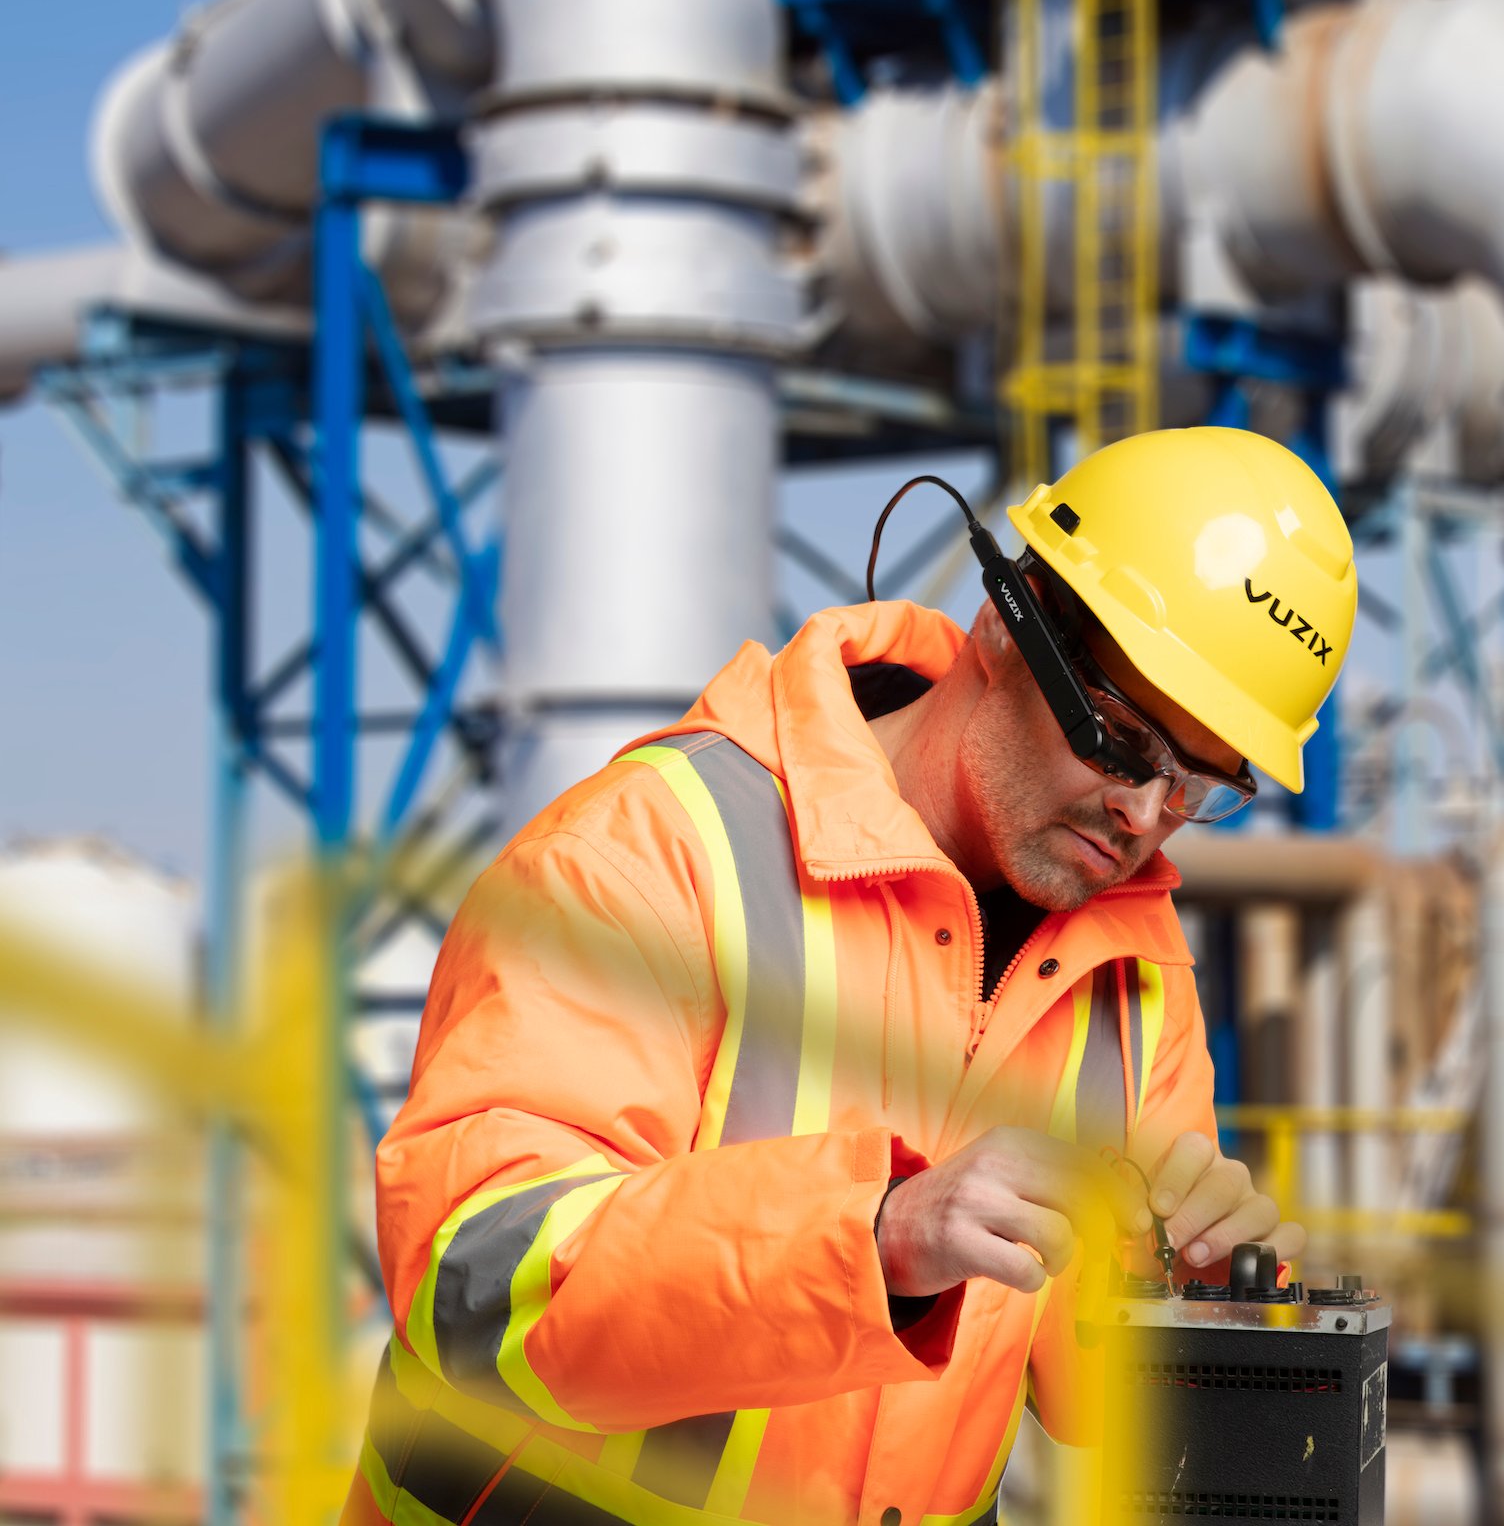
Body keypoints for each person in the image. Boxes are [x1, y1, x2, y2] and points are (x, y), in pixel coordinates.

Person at [345, 426, 1356, 1526]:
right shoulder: (648, 855)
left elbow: (1079, 1377)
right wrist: (871, 1235)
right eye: (1119, 741)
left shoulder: (1134, 977)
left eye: (1199, 785)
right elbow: (476, 1293)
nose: (1146, 815)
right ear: (1006, 627)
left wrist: (1197, 1313)